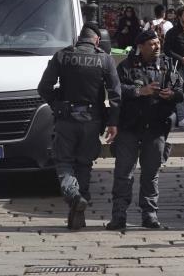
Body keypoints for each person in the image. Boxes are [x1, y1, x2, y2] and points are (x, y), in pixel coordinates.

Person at [37, 24, 121, 230]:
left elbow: (43, 87)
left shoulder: (62, 56)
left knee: (64, 162)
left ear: (78, 39)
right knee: (84, 163)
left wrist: (57, 104)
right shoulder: (105, 59)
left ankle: (74, 196)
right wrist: (112, 122)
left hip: (66, 119)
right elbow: (116, 95)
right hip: (92, 120)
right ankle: (79, 203)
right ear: (97, 41)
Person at [107, 29, 184, 231]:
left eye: (158, 42)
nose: (157, 46)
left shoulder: (167, 65)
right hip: (130, 127)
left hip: (156, 128)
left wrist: (172, 94)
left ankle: (149, 214)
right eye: (152, 44)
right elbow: (116, 91)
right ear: (140, 47)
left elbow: (181, 90)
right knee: (124, 173)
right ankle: (119, 214)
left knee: (151, 174)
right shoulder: (126, 66)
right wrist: (139, 91)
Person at [164, 6, 184, 127]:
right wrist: (180, 58)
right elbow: (167, 49)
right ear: (179, 17)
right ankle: (182, 117)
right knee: (179, 90)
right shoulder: (172, 32)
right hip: (178, 66)